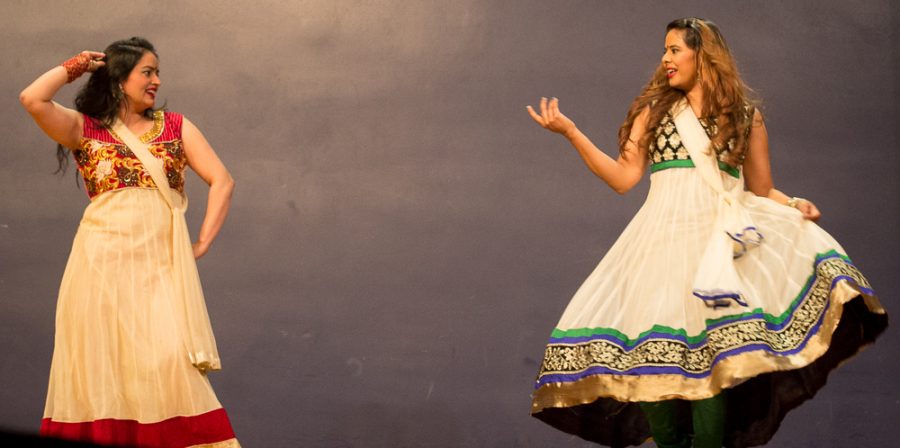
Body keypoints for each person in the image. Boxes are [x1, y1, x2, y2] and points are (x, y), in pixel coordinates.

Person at [526, 18, 887, 448]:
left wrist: (792, 204)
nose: (665, 59)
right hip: (660, 246)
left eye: (675, 49)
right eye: (665, 50)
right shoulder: (654, 114)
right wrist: (571, 133)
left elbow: (761, 188)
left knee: (711, 370)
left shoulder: (745, 118)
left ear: (704, 55)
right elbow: (624, 178)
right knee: (652, 367)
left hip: (716, 250)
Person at [19, 37, 239, 447]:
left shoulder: (175, 126)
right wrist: (77, 65)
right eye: (148, 72)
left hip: (158, 271)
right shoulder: (85, 128)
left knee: (169, 363)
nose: (157, 80)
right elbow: (32, 99)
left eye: (157, 72)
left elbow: (222, 181)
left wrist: (203, 242)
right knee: (101, 372)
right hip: (97, 272)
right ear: (120, 79)